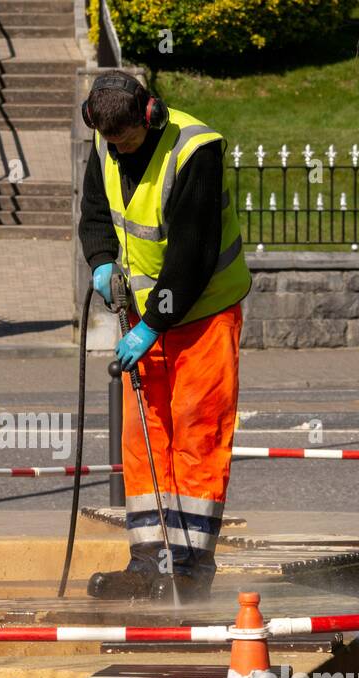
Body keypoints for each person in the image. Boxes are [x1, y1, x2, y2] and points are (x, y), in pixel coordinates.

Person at [78, 71, 251, 604]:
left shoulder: (195, 149)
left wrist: (154, 324)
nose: (118, 150)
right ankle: (147, 561)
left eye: (126, 140)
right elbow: (95, 215)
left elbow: (193, 253)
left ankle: (192, 569)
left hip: (202, 313)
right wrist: (102, 262)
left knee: (198, 435)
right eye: (110, 141)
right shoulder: (106, 142)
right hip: (143, 319)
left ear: (149, 117)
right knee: (144, 438)